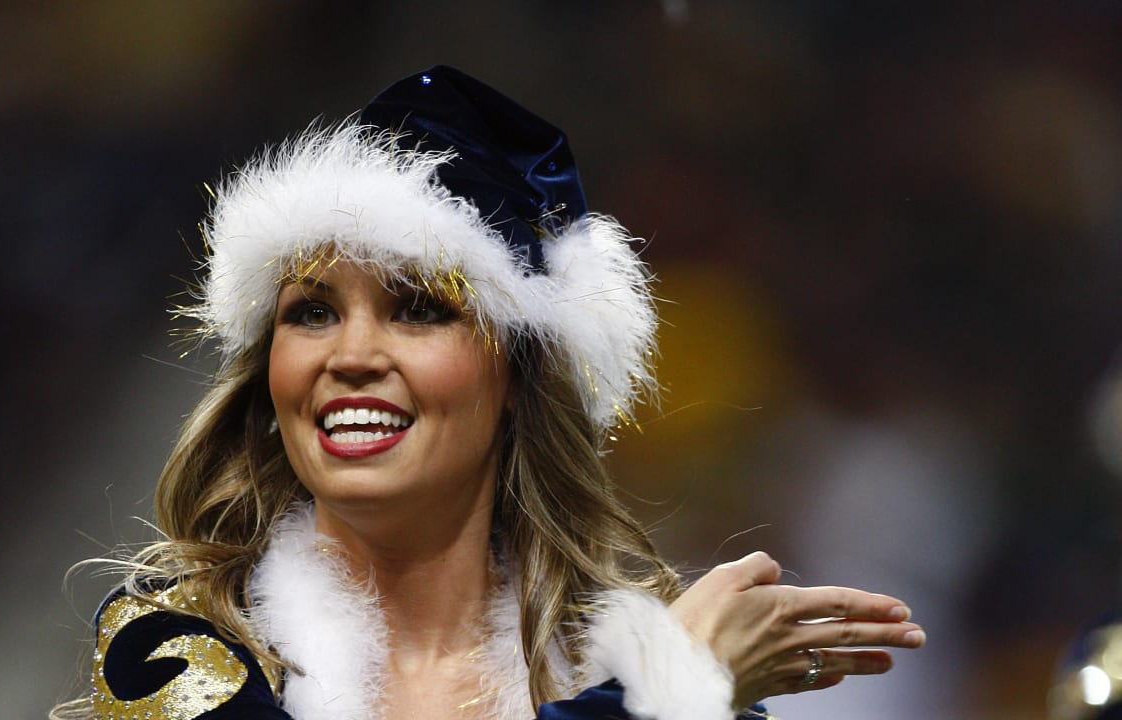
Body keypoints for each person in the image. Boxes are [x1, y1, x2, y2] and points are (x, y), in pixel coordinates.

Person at [51, 65, 924, 720]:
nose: (350, 355)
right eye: (311, 313)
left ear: (519, 377)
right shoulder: (167, 652)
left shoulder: (633, 669)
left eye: (419, 309)